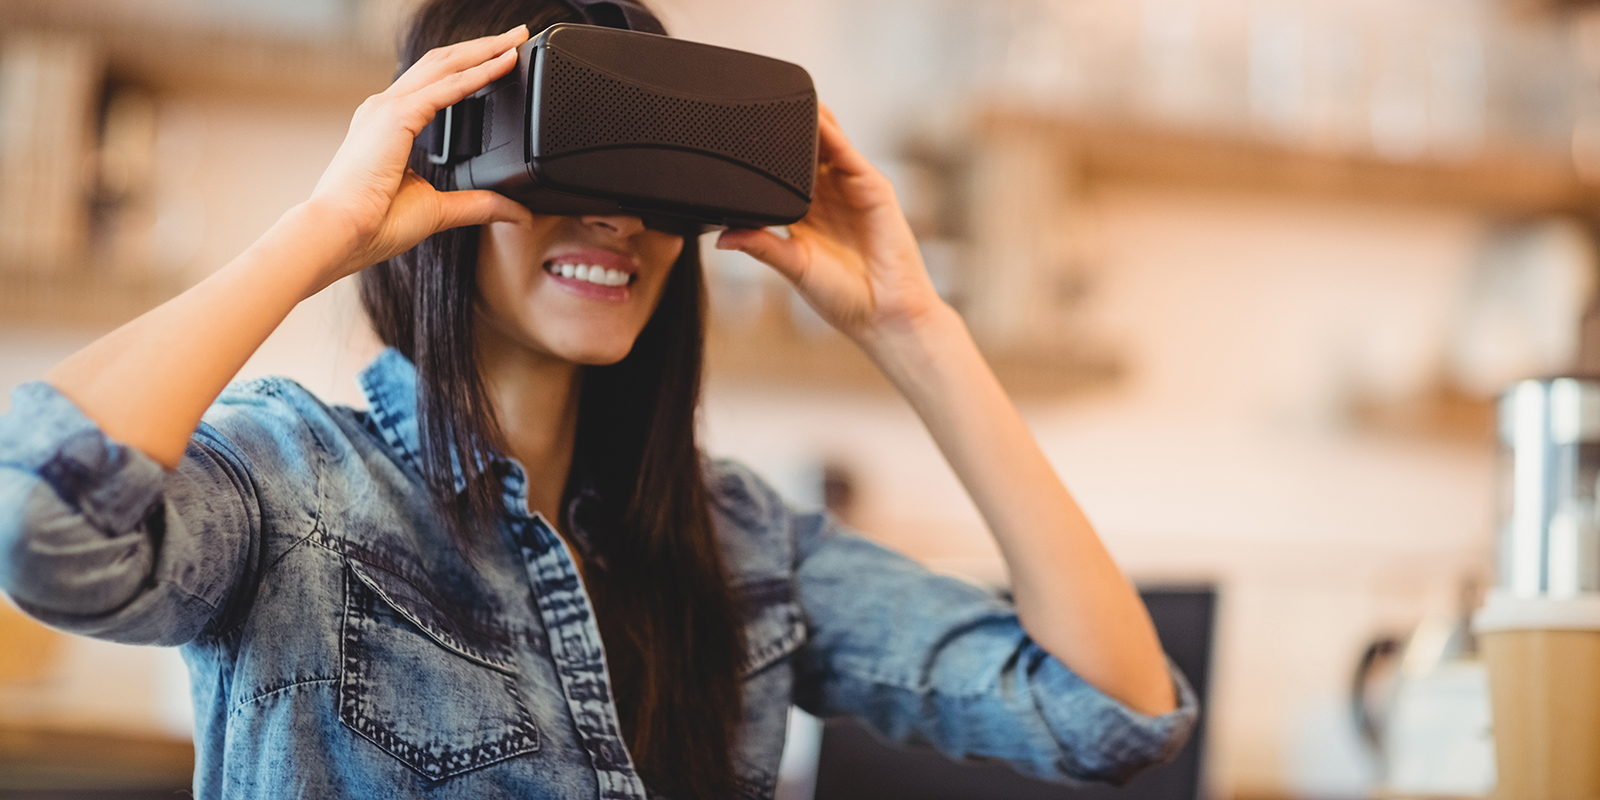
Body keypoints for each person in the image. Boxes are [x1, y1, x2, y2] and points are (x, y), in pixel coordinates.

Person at [0, 1, 1197, 798]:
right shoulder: (290, 484)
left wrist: (915, 330)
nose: (615, 219)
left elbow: (1110, 713)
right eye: (569, 166)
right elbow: (39, 524)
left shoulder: (743, 546)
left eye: (644, 178)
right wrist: (324, 234)